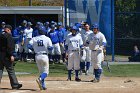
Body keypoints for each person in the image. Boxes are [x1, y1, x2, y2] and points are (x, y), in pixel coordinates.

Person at [28, 25, 53, 90]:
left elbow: (29, 46)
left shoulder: (34, 38)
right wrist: (47, 48)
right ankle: (40, 79)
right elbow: (50, 48)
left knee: (41, 72)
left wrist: (34, 49)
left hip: (37, 56)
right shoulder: (47, 38)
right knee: (46, 72)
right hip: (44, 56)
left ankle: (42, 85)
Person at [0, 25, 22, 89]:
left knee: (0, 70)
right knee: (10, 70)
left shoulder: (0, 35)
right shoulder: (9, 36)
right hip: (6, 56)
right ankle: (15, 85)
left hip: (0, 56)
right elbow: (10, 47)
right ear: (8, 30)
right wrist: (11, 55)